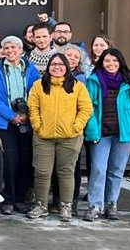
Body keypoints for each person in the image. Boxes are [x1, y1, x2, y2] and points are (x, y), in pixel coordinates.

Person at [84, 47, 130, 221]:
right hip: (101, 133)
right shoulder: (94, 80)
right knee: (98, 169)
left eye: (114, 61)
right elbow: (87, 106)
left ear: (120, 62)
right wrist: (91, 128)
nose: (111, 64)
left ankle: (111, 203)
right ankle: (95, 205)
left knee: (116, 170)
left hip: (123, 133)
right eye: (107, 61)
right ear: (101, 63)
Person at [27, 52, 92, 221]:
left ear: (67, 67)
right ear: (48, 67)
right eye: (53, 64)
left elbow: (86, 109)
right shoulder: (39, 85)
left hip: (70, 137)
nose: (57, 67)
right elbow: (32, 107)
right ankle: (41, 205)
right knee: (42, 172)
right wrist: (38, 126)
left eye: (61, 64)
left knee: (66, 172)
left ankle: (66, 206)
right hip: (43, 137)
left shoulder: (77, 86)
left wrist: (76, 127)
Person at [0, 35, 40, 214]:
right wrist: (11, 116)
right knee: (9, 161)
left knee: (25, 160)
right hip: (3, 123)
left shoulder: (31, 68)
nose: (10, 51)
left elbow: (37, 92)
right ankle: (8, 199)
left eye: (13, 48)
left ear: (20, 50)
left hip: (27, 121)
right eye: (6, 48)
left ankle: (20, 199)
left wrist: (26, 114)